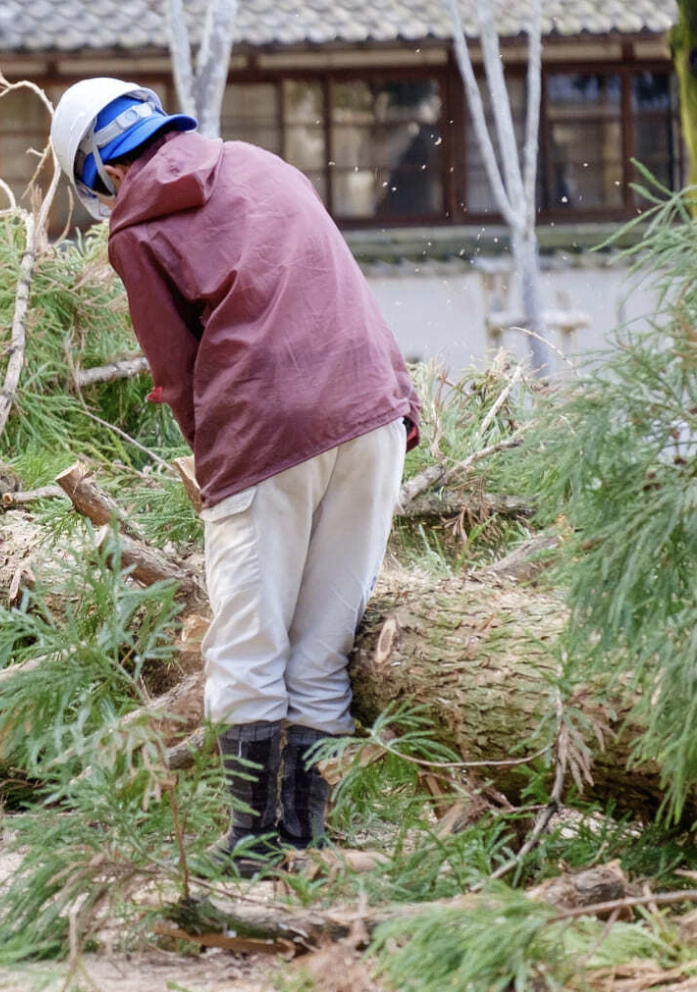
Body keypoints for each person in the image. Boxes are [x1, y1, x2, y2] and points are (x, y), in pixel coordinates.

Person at [48, 80, 419, 875]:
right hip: (374, 411)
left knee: (248, 642)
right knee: (322, 645)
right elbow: (344, 283)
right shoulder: (261, 162)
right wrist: (398, 406)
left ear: (103, 173)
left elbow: (176, 369)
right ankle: (307, 841)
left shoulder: (136, 224)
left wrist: (216, 464)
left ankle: (252, 843)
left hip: (267, 425)